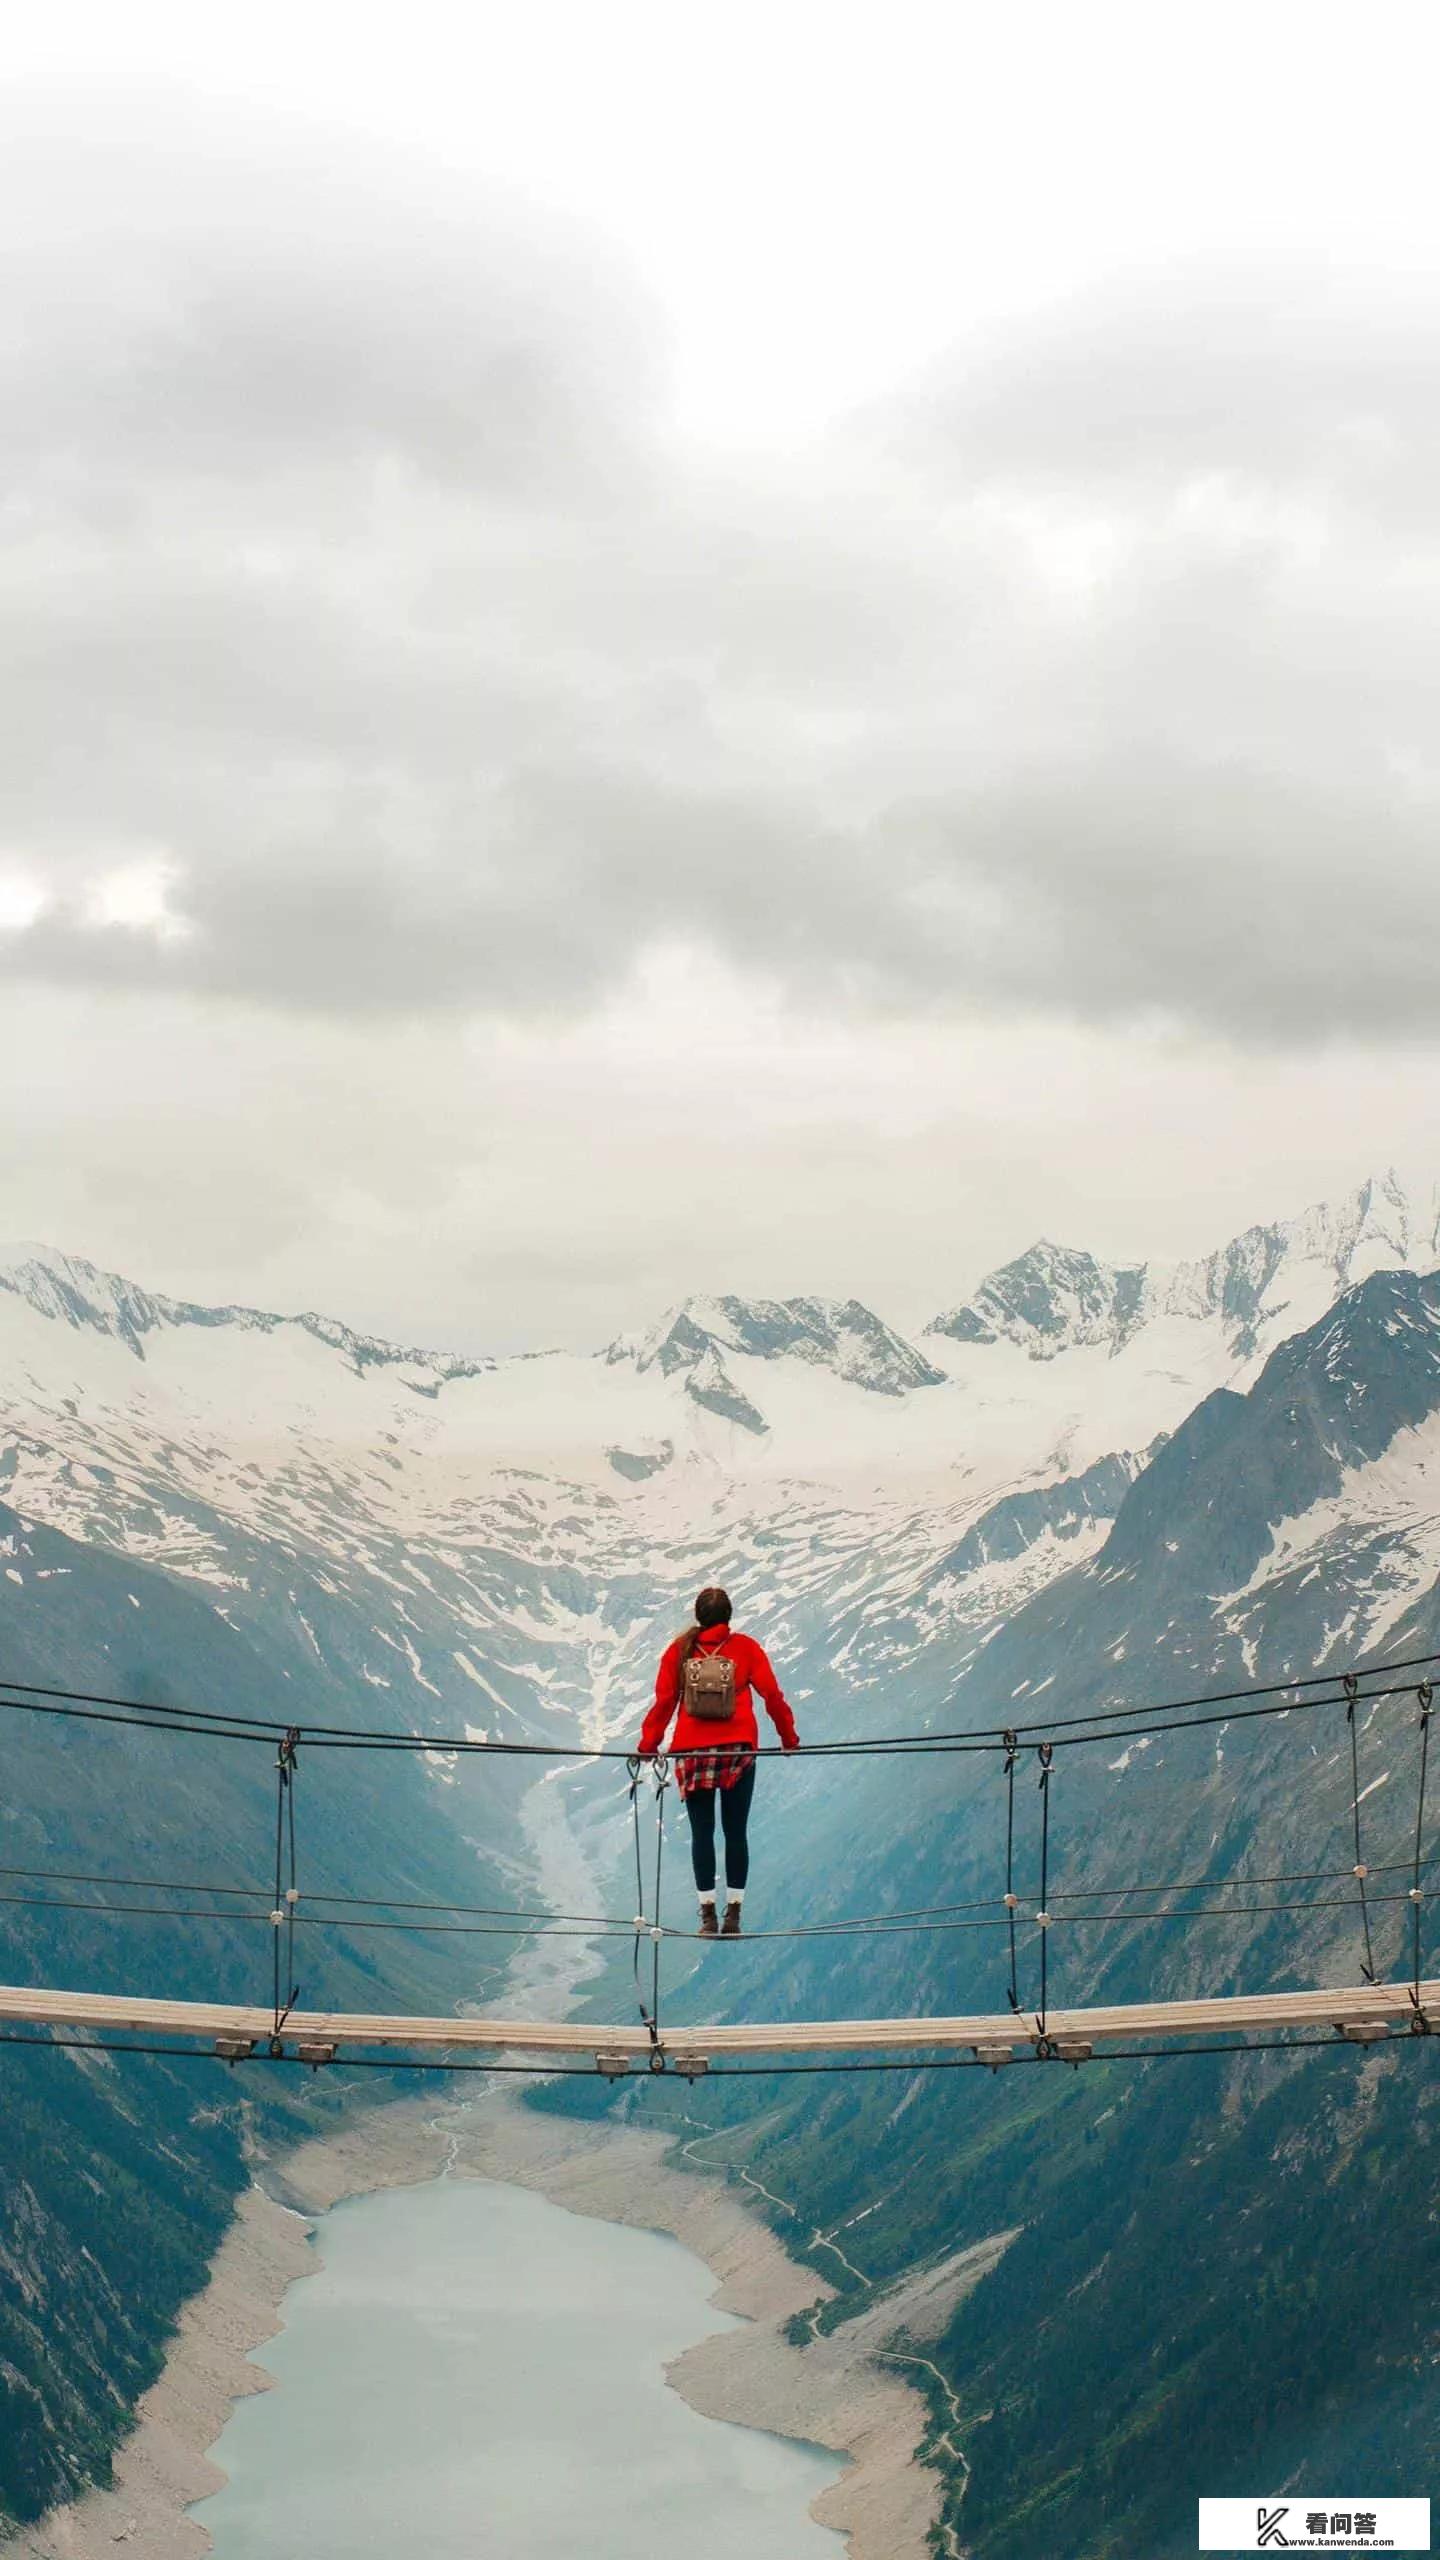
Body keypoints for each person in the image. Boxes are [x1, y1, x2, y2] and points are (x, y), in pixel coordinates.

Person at [637, 1586, 799, 1937]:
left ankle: (707, 1917)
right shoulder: (745, 1648)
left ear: (699, 1616)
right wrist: (788, 1739)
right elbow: (772, 1695)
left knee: (702, 1833)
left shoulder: (678, 1652)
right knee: (735, 1831)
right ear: (729, 1616)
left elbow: (664, 1703)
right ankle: (734, 1916)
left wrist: (649, 1745)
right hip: (738, 1749)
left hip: (692, 1752)